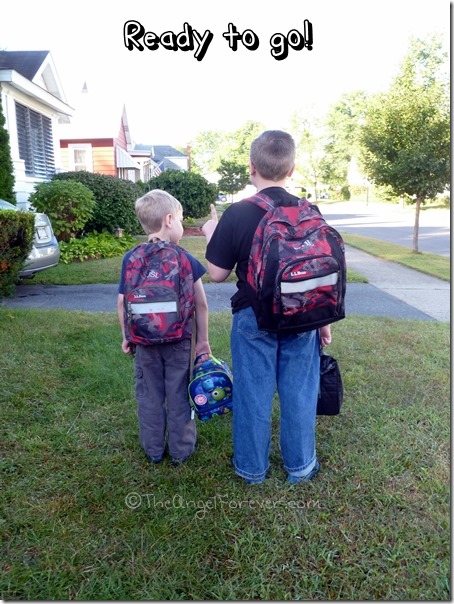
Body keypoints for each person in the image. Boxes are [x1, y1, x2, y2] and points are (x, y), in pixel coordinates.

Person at [202, 130, 331, 484]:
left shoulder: (239, 213)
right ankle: (301, 466)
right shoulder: (310, 210)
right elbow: (319, 269)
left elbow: (215, 274)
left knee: (252, 395)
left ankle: (252, 469)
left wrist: (212, 231)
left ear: (251, 167)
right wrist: (324, 321)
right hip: (303, 315)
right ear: (292, 168)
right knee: (300, 394)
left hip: (253, 317)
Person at [117, 189, 211, 467]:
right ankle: (181, 451)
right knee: (180, 394)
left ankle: (154, 450)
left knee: (149, 396)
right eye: (181, 220)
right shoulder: (184, 258)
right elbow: (201, 305)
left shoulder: (131, 259)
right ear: (169, 220)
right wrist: (202, 342)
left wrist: (126, 336)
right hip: (180, 341)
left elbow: (122, 303)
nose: (181, 225)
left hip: (144, 342)